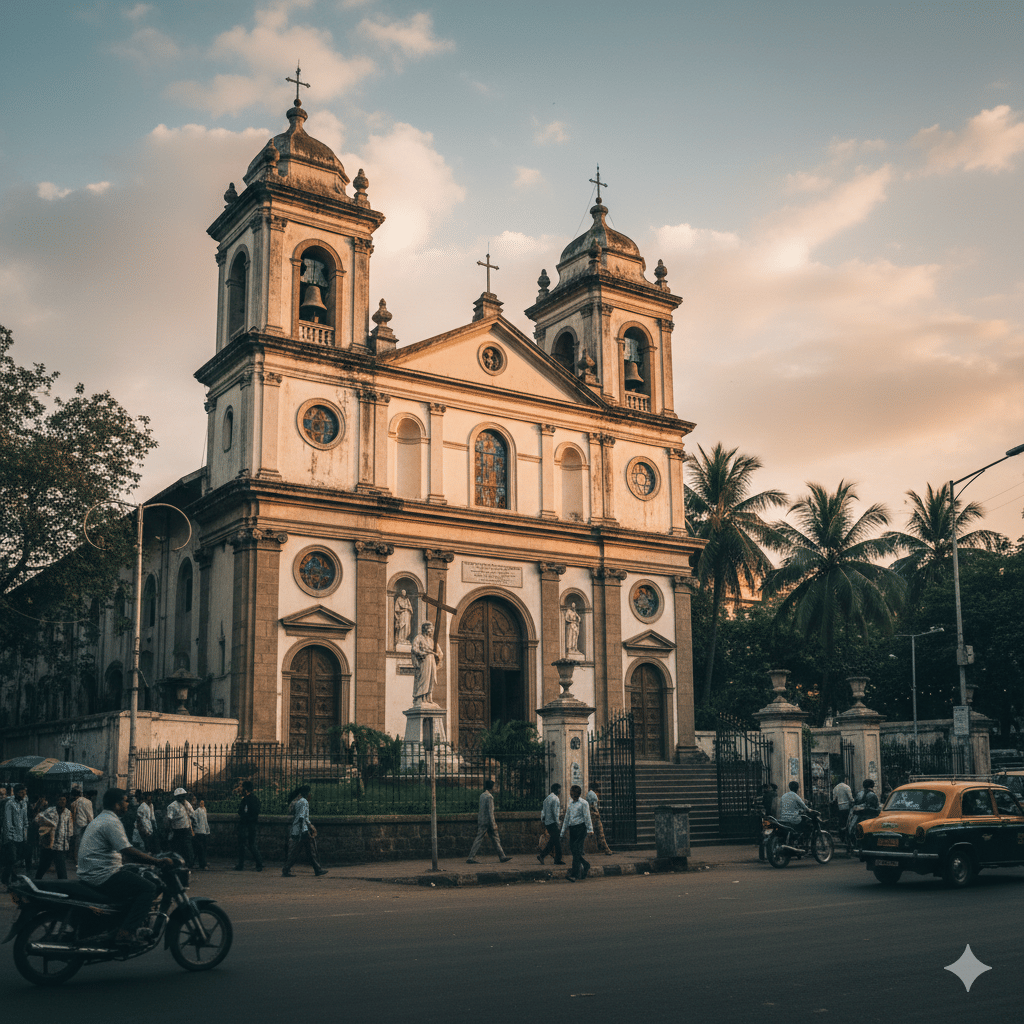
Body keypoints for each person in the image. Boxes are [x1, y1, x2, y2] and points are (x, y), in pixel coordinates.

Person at [76, 787, 173, 947]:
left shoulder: (102, 818)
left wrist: (138, 862)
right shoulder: (111, 822)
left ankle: (119, 923)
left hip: (95, 871)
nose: (128, 804)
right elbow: (128, 851)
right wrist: (156, 861)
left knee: (134, 876)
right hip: (102, 875)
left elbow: (123, 853)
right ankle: (126, 932)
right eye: (126, 800)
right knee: (147, 888)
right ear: (117, 803)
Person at [282, 785, 328, 877]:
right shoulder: (304, 802)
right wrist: (306, 828)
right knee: (304, 851)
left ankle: (317, 869)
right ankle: (286, 869)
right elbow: (302, 817)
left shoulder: (298, 802)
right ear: (307, 793)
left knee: (309, 851)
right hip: (302, 830)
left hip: (299, 829)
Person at [466, 779, 512, 864]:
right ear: (492, 787)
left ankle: (502, 856)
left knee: (490, 838)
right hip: (488, 822)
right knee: (492, 838)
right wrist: (493, 824)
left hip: (482, 820)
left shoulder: (482, 795)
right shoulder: (489, 797)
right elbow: (490, 812)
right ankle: (471, 857)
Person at [560, 785, 594, 881]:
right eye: (571, 793)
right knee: (574, 850)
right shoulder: (570, 803)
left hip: (581, 828)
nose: (572, 795)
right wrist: (562, 832)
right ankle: (586, 865)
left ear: (578, 794)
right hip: (572, 829)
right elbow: (567, 818)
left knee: (576, 850)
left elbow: (587, 817)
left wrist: (590, 830)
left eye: (573, 794)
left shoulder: (584, 803)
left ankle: (575, 874)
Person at [35, 794, 73, 880]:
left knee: (61, 869)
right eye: (60, 799)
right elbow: (37, 818)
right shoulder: (49, 811)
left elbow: (70, 828)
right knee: (43, 866)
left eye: (64, 800)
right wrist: (47, 823)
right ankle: (36, 882)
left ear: (66, 801)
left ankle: (63, 888)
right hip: (49, 844)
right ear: (56, 801)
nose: (62, 801)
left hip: (60, 845)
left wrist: (68, 842)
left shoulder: (68, 813)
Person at [1, 783, 29, 884]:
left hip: (21, 836)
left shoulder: (24, 803)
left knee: (16, 858)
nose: (23, 794)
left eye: (24, 792)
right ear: (16, 793)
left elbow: (25, 819)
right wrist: (10, 836)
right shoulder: (10, 804)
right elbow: (8, 822)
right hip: (11, 836)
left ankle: (12, 877)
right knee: (12, 858)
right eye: (21, 793)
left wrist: (25, 833)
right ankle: (6, 879)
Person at [235, 779, 263, 871]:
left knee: (242, 846)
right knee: (252, 844)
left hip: (245, 825)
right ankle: (259, 863)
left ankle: (241, 865)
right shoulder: (256, 799)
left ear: (246, 790)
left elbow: (241, 812)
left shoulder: (246, 800)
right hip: (253, 824)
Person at [411, 621, 442, 702]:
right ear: (426, 629)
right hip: (424, 661)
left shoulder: (432, 641)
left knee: (431, 678)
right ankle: (421, 697)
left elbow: (440, 652)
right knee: (424, 678)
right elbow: (414, 649)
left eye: (432, 630)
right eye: (430, 629)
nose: (432, 631)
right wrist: (423, 653)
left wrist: (437, 656)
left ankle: (429, 696)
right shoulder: (419, 638)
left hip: (431, 661)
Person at [165, 788, 195, 867]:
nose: (182, 798)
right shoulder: (172, 806)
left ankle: (189, 863)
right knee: (178, 848)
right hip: (177, 830)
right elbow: (169, 818)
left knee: (188, 847)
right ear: (176, 797)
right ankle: (179, 863)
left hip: (187, 829)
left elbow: (192, 813)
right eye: (180, 796)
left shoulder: (187, 804)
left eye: (183, 796)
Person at [537, 783, 564, 866]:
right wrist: (558, 823)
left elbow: (543, 812)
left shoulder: (547, 798)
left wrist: (543, 820)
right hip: (553, 823)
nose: (560, 791)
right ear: (557, 789)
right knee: (557, 842)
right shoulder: (555, 799)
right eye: (559, 789)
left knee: (553, 841)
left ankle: (542, 855)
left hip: (547, 823)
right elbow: (555, 813)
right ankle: (556, 859)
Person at [585, 783, 613, 855]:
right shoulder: (593, 795)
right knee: (600, 833)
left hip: (590, 816)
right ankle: (606, 850)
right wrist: (597, 814)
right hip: (594, 816)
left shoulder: (589, 794)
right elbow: (593, 806)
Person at [72, 787, 95, 864]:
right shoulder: (87, 802)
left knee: (77, 844)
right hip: (86, 825)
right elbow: (90, 816)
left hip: (77, 826)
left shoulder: (73, 803)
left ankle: (77, 860)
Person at [190, 796, 211, 870]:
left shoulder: (202, 810)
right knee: (200, 849)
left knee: (198, 849)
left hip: (200, 831)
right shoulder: (198, 811)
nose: (202, 804)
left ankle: (193, 863)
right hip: (199, 832)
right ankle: (202, 864)